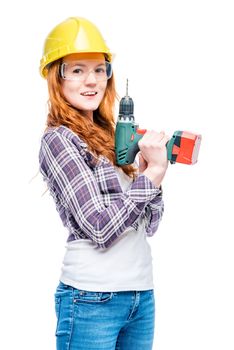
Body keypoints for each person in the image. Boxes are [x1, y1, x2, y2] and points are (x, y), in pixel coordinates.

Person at [39, 16, 169, 350]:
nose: (91, 80)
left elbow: (150, 224)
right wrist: (151, 178)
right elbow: (99, 228)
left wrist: (146, 173)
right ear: (57, 77)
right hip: (91, 298)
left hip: (140, 295)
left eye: (99, 69)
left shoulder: (115, 137)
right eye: (77, 70)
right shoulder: (59, 141)